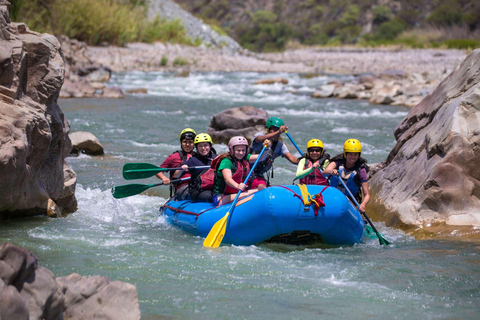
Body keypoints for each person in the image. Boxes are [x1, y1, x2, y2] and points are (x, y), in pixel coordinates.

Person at [212, 136, 270, 206]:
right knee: (254, 192)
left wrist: (266, 148)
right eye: (238, 150)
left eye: (243, 150)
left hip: (238, 193)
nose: (241, 153)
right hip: (221, 197)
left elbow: (261, 157)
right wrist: (237, 186)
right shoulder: (226, 161)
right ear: (232, 150)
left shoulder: (245, 157)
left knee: (262, 188)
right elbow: (227, 179)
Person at [249, 117, 298, 189]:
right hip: (245, 172)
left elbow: (292, 158)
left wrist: (306, 160)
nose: (277, 132)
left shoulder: (280, 145)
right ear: (268, 129)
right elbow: (260, 139)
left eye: (278, 130)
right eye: (274, 130)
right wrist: (279, 132)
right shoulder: (259, 136)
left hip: (258, 175)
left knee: (262, 188)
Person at [323, 139, 370, 212]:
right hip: (332, 197)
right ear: (345, 154)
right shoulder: (337, 163)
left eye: (355, 154)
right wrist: (332, 171)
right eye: (350, 154)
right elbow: (324, 172)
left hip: (349, 201)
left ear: (359, 155)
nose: (353, 157)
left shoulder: (361, 170)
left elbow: (367, 194)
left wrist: (363, 205)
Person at [175, 133, 217, 202]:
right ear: (196, 148)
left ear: (210, 146)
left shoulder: (216, 158)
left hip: (214, 188)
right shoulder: (193, 161)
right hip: (198, 191)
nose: (203, 148)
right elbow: (176, 176)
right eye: (200, 146)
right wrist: (181, 169)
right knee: (214, 196)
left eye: (206, 145)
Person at [156, 128, 196, 198]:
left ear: (194, 143)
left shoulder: (198, 156)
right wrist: (164, 178)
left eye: (190, 142)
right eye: (185, 142)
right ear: (181, 142)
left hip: (196, 186)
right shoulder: (174, 157)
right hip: (182, 189)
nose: (187, 144)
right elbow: (158, 171)